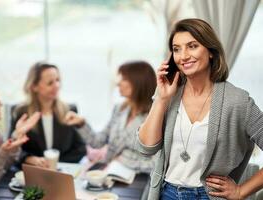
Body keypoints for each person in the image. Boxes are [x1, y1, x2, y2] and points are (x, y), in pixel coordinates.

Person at [135, 18, 263, 200]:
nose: (183, 56)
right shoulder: (168, 94)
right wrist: (161, 99)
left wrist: (241, 191)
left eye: (192, 46)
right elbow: (145, 148)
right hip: (166, 193)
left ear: (211, 51)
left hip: (209, 196)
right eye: (177, 49)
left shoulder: (238, 101)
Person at [65, 61, 157, 173]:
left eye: (124, 79)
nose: (118, 83)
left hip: (136, 180)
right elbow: (97, 142)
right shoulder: (119, 109)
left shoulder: (155, 116)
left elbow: (155, 163)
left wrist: (123, 160)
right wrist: (81, 123)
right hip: (110, 173)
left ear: (139, 83)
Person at [10, 62, 86, 168]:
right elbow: (11, 148)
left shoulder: (70, 110)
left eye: (58, 80)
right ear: (34, 87)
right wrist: (27, 158)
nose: (57, 86)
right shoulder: (21, 113)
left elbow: (81, 149)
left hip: (61, 173)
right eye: (50, 83)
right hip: (32, 174)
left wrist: (54, 164)